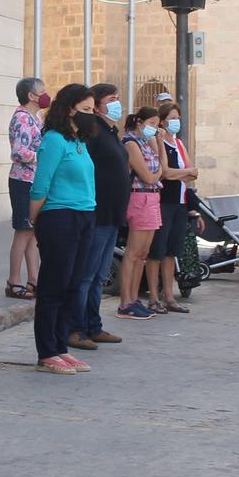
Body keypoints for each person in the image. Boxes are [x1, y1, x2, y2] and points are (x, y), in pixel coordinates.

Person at [28, 84, 98, 374]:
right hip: (59, 217)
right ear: (70, 109)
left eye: (93, 110)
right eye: (85, 110)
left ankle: (60, 346)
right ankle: (47, 351)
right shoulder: (54, 140)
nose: (90, 115)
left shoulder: (79, 142)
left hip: (84, 215)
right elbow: (40, 185)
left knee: (73, 285)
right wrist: (35, 222)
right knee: (54, 286)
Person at [72, 83, 131, 346]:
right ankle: (77, 329)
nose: (117, 103)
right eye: (112, 99)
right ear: (96, 105)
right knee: (86, 274)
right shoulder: (92, 132)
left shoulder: (110, 131)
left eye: (118, 98)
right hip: (97, 212)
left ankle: (94, 325)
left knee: (99, 275)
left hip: (113, 214)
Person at [116, 107, 164, 320]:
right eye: (152, 123)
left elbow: (160, 164)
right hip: (140, 196)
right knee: (133, 253)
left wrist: (159, 141)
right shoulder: (130, 142)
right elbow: (149, 176)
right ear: (139, 121)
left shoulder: (146, 142)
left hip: (152, 197)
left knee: (143, 254)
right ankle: (125, 301)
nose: (155, 128)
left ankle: (134, 298)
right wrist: (160, 170)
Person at [149, 97, 196, 314]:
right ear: (163, 122)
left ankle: (169, 296)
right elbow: (165, 172)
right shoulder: (160, 142)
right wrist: (184, 173)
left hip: (180, 203)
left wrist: (183, 173)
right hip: (164, 201)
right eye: (172, 118)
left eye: (178, 118)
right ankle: (153, 297)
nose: (177, 122)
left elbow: (192, 171)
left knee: (171, 252)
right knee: (156, 251)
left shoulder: (178, 143)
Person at [6, 76, 47, 299]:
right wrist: (43, 157)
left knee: (32, 233)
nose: (46, 95)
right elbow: (19, 152)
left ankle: (34, 279)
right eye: (42, 91)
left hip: (34, 181)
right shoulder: (22, 118)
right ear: (31, 96)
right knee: (23, 231)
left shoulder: (36, 117)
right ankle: (14, 280)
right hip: (23, 181)